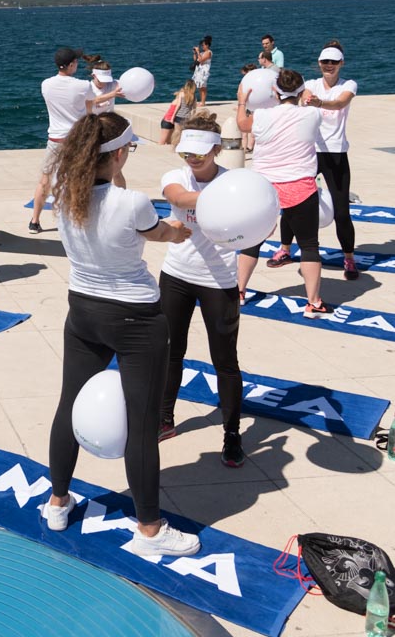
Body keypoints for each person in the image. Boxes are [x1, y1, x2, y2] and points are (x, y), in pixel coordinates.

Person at [42, 112, 200, 557]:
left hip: (83, 311)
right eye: (126, 150)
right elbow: (164, 232)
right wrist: (180, 231)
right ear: (114, 156)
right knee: (142, 425)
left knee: (67, 406)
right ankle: (150, 531)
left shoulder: (63, 195)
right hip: (135, 320)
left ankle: (57, 503)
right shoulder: (132, 203)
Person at [157, 112, 245, 467]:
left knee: (225, 361)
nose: (192, 160)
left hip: (219, 281)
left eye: (199, 153)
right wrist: (224, 201)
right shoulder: (176, 177)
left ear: (217, 149)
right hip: (176, 275)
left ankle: (232, 434)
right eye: (186, 153)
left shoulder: (235, 183)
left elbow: (258, 224)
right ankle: (164, 419)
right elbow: (176, 196)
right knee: (169, 352)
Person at [236, 69, 327, 316]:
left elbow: (242, 124)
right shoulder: (312, 114)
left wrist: (242, 100)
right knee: (309, 245)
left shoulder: (262, 116)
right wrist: (303, 91)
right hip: (300, 185)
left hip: (264, 186)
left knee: (252, 240)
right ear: (300, 92)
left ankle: (239, 292)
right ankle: (313, 302)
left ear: (274, 91)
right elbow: (308, 97)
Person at [303, 42, 358, 280]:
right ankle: (284, 249)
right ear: (319, 63)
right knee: (296, 206)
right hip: (310, 152)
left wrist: (319, 103)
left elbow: (340, 103)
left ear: (341, 63)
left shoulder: (349, 85)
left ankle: (349, 258)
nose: (329, 66)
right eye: (325, 62)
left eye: (334, 62)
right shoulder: (311, 84)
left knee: (342, 212)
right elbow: (298, 92)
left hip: (336, 154)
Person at [29, 47, 94, 233]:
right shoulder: (83, 85)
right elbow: (90, 107)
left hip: (55, 140)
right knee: (77, 180)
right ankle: (76, 221)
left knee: (44, 181)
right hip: (76, 140)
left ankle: (34, 221)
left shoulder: (46, 84)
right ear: (72, 64)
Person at [87, 59, 126, 186]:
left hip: (109, 130)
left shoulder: (113, 84)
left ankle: (122, 196)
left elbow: (130, 85)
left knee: (116, 170)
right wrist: (113, 94)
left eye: (106, 80)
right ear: (93, 76)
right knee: (91, 168)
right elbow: (93, 101)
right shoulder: (88, 88)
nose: (104, 83)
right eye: (101, 80)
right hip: (93, 130)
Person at [158, 81, 197, 146]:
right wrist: (193, 117)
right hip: (187, 118)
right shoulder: (194, 97)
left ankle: (175, 146)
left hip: (178, 117)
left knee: (177, 133)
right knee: (182, 134)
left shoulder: (182, 94)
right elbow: (194, 109)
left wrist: (173, 117)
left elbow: (178, 106)